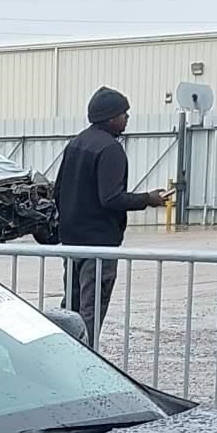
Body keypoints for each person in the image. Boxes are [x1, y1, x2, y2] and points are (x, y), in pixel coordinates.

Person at [52, 87, 169, 346]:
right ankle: (87, 360)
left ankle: (64, 356)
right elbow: (111, 198)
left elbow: (58, 190)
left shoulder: (76, 144)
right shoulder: (110, 149)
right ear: (109, 117)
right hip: (98, 245)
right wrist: (147, 199)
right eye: (123, 113)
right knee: (91, 309)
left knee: (70, 309)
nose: (127, 118)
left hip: (72, 242)